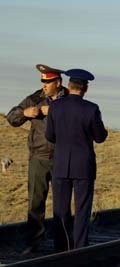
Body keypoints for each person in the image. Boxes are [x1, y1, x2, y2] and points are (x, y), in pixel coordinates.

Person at [7, 64, 67, 254]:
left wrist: (55, 111)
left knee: (62, 204)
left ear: (58, 83)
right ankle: (34, 243)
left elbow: (78, 116)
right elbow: (11, 117)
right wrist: (25, 113)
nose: (44, 85)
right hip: (38, 159)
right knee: (35, 203)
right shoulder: (35, 98)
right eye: (43, 82)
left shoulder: (70, 100)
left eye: (48, 82)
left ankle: (62, 243)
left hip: (62, 158)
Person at [46, 69, 108, 251]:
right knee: (82, 210)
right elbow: (99, 137)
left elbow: (50, 135)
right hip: (83, 166)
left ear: (68, 86)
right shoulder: (92, 109)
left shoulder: (55, 107)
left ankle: (61, 247)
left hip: (60, 165)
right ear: (85, 88)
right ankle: (80, 248)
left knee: (60, 209)